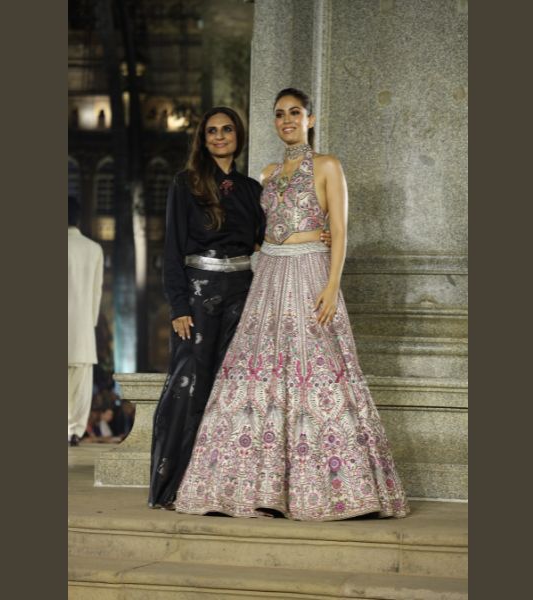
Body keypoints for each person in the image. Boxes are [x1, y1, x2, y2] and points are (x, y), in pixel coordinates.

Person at [174, 88, 409, 521]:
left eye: (295, 113)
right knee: (260, 374)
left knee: (316, 370)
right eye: (280, 114)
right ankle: (259, 490)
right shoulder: (266, 174)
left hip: (310, 273)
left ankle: (338, 490)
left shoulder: (328, 165)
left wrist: (332, 285)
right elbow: (259, 232)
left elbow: (340, 230)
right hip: (269, 275)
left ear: (310, 120)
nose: (286, 120)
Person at [148, 106, 266, 509]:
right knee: (188, 388)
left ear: (238, 136)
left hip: (243, 294)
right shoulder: (186, 184)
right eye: (212, 131)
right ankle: (171, 489)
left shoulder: (251, 189)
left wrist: (317, 234)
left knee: (233, 392)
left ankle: (220, 489)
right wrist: (178, 306)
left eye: (226, 130)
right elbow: (172, 250)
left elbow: (268, 240)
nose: (219, 136)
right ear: (203, 139)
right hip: (198, 297)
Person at [68, 196, 104, 447]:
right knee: (80, 387)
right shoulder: (93, 249)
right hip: (82, 331)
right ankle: (74, 431)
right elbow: (96, 292)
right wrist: (89, 325)